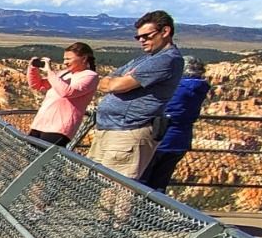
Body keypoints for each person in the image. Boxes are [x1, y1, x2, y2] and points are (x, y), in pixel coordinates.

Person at [89, 10, 185, 180]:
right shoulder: (145, 59)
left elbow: (114, 84)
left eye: (146, 36)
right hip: (112, 131)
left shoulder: (166, 59)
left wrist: (116, 83)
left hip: (127, 134)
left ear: (165, 31)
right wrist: (115, 82)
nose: (141, 40)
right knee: (93, 184)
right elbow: (105, 83)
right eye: (138, 37)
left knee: (114, 189)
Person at [138, 56, 210, 192]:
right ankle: (157, 204)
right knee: (160, 182)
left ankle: (139, 206)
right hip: (181, 141)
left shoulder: (176, 88)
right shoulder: (200, 88)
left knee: (142, 181)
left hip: (161, 138)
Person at [26, 42, 99, 147]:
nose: (65, 62)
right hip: (40, 124)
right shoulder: (65, 73)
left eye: (68, 59)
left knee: (44, 157)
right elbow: (37, 85)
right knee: (29, 155)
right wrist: (33, 69)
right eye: (64, 59)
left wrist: (49, 71)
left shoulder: (90, 76)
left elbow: (67, 92)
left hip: (59, 128)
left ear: (84, 58)